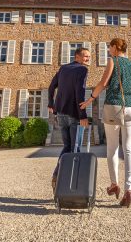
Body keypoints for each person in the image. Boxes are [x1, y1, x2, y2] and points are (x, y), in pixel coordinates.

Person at [80, 38, 131, 208]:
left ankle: (114, 185)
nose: (108, 50)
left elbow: (103, 83)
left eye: (109, 47)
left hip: (114, 106)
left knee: (112, 148)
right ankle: (130, 189)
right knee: (130, 149)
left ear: (115, 48)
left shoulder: (113, 61)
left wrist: (90, 100)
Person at [48, 47, 90, 190]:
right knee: (75, 148)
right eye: (85, 56)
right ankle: (71, 184)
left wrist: (50, 103)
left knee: (67, 147)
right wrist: (83, 115)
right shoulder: (82, 70)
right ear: (77, 56)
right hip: (73, 115)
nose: (88, 59)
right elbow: (80, 92)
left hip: (60, 114)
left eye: (89, 57)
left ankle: (57, 174)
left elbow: (51, 86)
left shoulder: (63, 69)